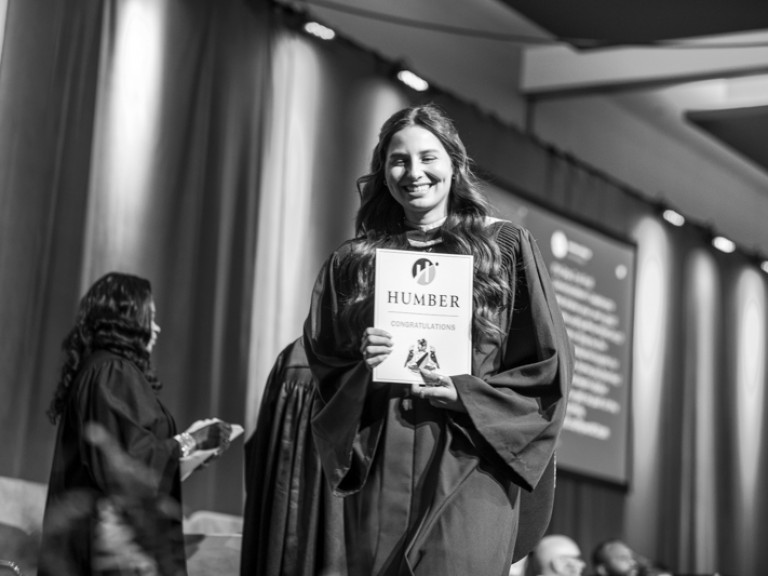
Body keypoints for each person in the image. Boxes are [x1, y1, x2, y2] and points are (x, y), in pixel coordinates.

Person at [303, 103, 573, 575]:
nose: (414, 172)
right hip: (385, 452)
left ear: (454, 163)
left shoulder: (505, 248)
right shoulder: (355, 261)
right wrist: (364, 363)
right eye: (398, 160)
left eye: (428, 157)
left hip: (471, 455)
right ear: (383, 172)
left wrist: (466, 393)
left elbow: (546, 368)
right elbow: (326, 364)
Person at [39, 272, 233, 576]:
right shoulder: (113, 372)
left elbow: (136, 457)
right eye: (149, 317)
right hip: (110, 552)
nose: (156, 328)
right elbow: (130, 466)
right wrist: (192, 440)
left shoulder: (100, 371)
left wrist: (194, 453)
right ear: (125, 319)